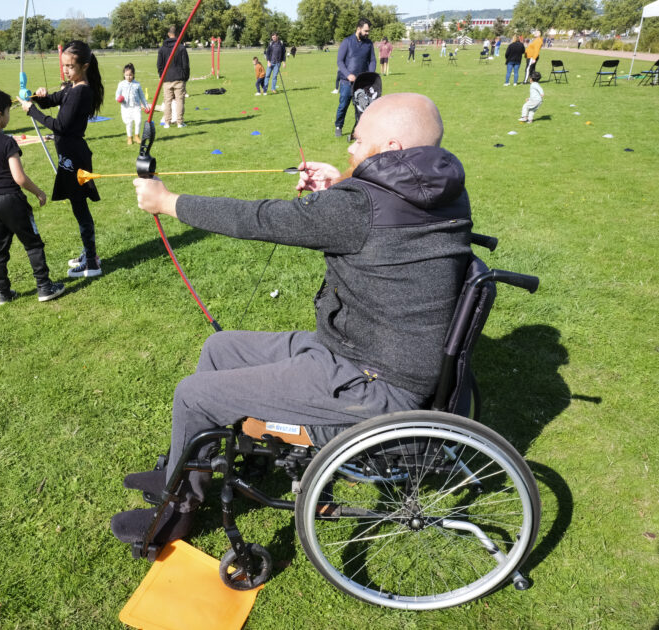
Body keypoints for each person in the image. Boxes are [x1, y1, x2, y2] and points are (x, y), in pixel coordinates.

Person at [113, 93, 473, 545]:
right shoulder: (443, 192)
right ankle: (185, 469)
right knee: (219, 349)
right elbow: (377, 211)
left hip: (373, 381)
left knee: (193, 394)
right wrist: (341, 181)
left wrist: (168, 202)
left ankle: (177, 511)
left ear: (393, 149)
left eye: (358, 141)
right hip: (365, 349)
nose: (349, 148)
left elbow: (262, 218)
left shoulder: (357, 209)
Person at [0, 86, 65, 305]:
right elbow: (19, 178)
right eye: (8, 112)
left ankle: (2, 293)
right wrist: (38, 191)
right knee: (33, 243)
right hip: (11, 200)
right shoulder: (7, 142)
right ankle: (44, 287)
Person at [21, 40, 104, 278]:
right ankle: (89, 253)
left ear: (85, 66)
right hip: (69, 156)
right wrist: (38, 96)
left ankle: (92, 262)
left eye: (70, 66)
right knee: (78, 206)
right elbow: (52, 100)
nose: (66, 70)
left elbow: (60, 126)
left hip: (76, 158)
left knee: (80, 207)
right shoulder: (71, 88)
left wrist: (32, 111)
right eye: (63, 66)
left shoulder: (82, 91)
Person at [335, 18, 376, 138]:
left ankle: (358, 130)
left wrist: (370, 74)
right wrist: (348, 74)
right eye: (365, 31)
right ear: (358, 29)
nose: (367, 33)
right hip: (346, 82)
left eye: (368, 31)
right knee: (343, 106)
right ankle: (339, 126)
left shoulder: (368, 44)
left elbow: (372, 60)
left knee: (361, 108)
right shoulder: (347, 42)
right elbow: (340, 61)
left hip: (362, 83)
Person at [156, 25, 190, 128]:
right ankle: (179, 122)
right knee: (179, 101)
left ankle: (167, 122)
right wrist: (185, 77)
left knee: (167, 101)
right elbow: (186, 65)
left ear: (168, 34)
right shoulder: (181, 48)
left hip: (167, 79)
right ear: (178, 34)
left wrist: (162, 76)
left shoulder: (162, 49)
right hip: (179, 78)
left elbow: (159, 65)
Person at [115, 63, 148, 145]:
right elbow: (117, 94)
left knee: (139, 121)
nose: (128, 77)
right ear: (124, 74)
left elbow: (142, 96)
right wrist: (118, 99)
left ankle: (137, 136)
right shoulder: (121, 84)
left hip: (136, 107)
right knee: (129, 123)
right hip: (126, 107)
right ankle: (129, 137)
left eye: (130, 75)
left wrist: (146, 105)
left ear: (133, 75)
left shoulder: (137, 84)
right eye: (126, 75)